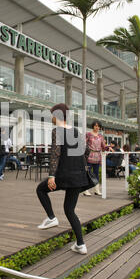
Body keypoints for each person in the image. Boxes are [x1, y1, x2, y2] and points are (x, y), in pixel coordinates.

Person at [36, 103, 89, 255]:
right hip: (78, 176)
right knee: (69, 210)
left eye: (52, 114)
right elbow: (86, 151)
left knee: (40, 189)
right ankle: (80, 244)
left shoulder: (57, 131)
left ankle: (52, 217)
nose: (51, 117)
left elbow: (55, 153)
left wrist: (52, 175)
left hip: (65, 175)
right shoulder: (75, 131)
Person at [83, 120, 106, 196]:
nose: (97, 127)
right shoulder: (88, 134)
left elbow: (103, 146)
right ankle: (85, 190)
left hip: (98, 157)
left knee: (96, 174)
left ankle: (97, 190)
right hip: (89, 156)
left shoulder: (100, 136)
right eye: (96, 126)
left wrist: (108, 148)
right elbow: (83, 143)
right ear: (93, 126)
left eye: (98, 126)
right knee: (88, 173)